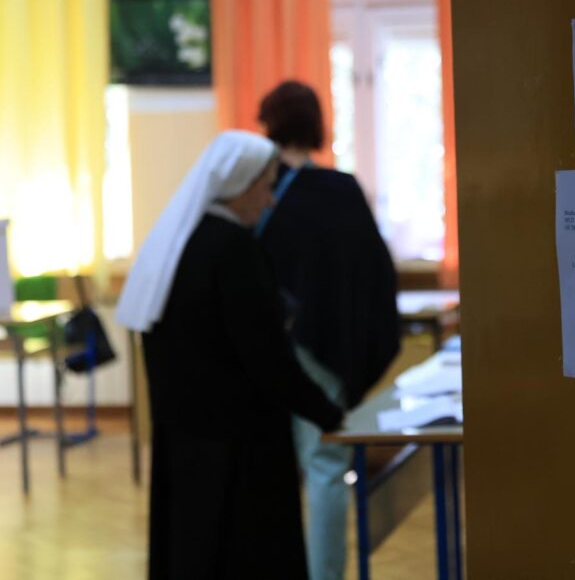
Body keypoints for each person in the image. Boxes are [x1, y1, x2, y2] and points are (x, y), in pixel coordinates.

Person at [115, 131, 343, 579]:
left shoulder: (179, 244)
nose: (271, 201)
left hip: (186, 443)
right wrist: (327, 412)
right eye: (267, 187)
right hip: (240, 451)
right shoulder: (234, 248)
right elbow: (268, 357)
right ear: (240, 185)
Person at [255, 81, 400, 580]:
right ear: (316, 125)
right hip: (326, 351)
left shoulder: (257, 190)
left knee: (269, 471)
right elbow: (378, 275)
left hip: (266, 351)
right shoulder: (342, 190)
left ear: (269, 124)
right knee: (324, 468)